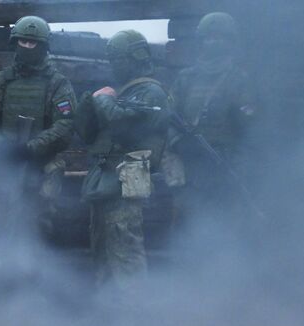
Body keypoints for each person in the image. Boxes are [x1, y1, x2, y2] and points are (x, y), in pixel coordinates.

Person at [74, 30, 170, 289]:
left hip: (128, 178)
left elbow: (125, 128)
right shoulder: (123, 92)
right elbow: (87, 134)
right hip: (105, 178)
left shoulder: (151, 92)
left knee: (124, 250)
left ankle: (133, 314)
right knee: (103, 250)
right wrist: (88, 104)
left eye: (117, 59)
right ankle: (108, 311)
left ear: (134, 58)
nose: (113, 65)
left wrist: (103, 100)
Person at [0, 15, 77, 225]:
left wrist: (31, 148)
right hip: (4, 161)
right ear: (15, 43)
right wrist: (3, 145)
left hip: (41, 161)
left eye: (34, 42)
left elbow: (65, 124)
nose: (28, 46)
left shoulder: (57, 84)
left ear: (44, 46)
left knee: (38, 217)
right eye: (24, 41)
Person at [171, 12, 257, 196]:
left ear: (230, 42)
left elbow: (248, 131)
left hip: (224, 166)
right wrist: (179, 143)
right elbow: (168, 117)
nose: (213, 43)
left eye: (219, 38)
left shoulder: (239, 81)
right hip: (189, 166)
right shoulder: (186, 79)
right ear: (200, 42)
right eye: (208, 38)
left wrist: (239, 166)